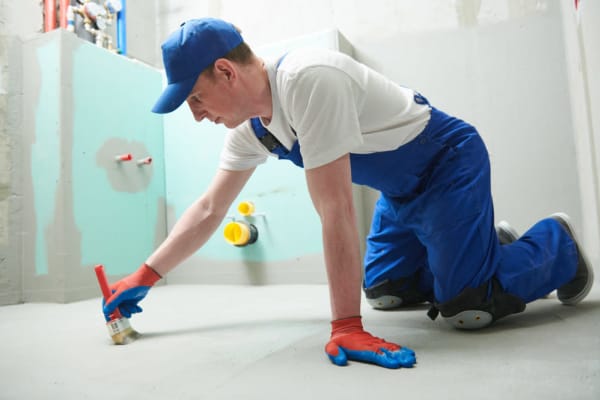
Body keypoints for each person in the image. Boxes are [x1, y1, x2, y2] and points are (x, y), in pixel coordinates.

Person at [102, 18, 594, 369]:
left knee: (468, 305)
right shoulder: (252, 130)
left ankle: (557, 246)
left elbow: (335, 209)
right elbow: (211, 208)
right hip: (399, 193)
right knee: (384, 290)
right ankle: (482, 249)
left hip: (447, 165)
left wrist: (344, 326)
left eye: (195, 98)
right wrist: (146, 275)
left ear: (226, 73)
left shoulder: (309, 80)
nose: (196, 114)